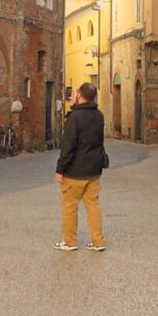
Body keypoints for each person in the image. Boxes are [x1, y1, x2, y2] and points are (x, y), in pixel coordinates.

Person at [54, 82, 107, 252]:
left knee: (70, 206)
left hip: (75, 171)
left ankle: (70, 241)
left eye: (77, 92)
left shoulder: (74, 118)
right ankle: (98, 241)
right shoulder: (98, 115)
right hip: (94, 169)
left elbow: (68, 145)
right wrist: (74, 107)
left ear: (80, 95)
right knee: (93, 205)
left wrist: (60, 169)